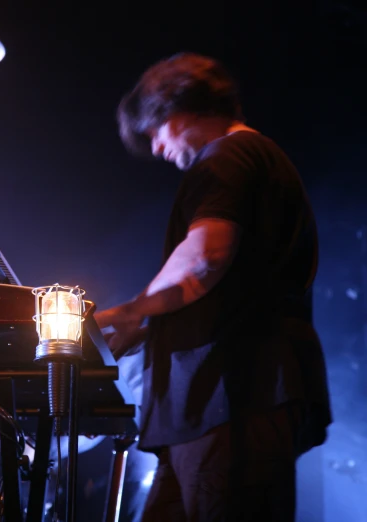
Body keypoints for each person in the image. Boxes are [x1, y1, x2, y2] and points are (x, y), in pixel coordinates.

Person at [94, 52, 332, 522]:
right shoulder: (248, 159)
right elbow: (226, 278)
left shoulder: (228, 154)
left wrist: (130, 313)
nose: (158, 149)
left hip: (231, 401)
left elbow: (205, 257)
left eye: (155, 133)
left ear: (176, 109)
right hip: (209, 411)